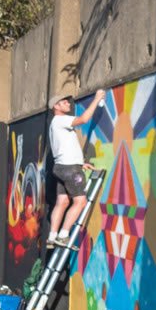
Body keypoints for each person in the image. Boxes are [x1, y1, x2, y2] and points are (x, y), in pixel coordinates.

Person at [47, 88, 106, 247]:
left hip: (61, 168)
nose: (68, 103)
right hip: (70, 168)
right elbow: (84, 119)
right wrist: (97, 98)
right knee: (80, 201)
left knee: (63, 201)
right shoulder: (61, 119)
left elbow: (65, 147)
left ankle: (52, 237)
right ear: (56, 107)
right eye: (64, 102)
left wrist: (80, 163)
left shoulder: (54, 124)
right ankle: (63, 235)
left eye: (67, 101)